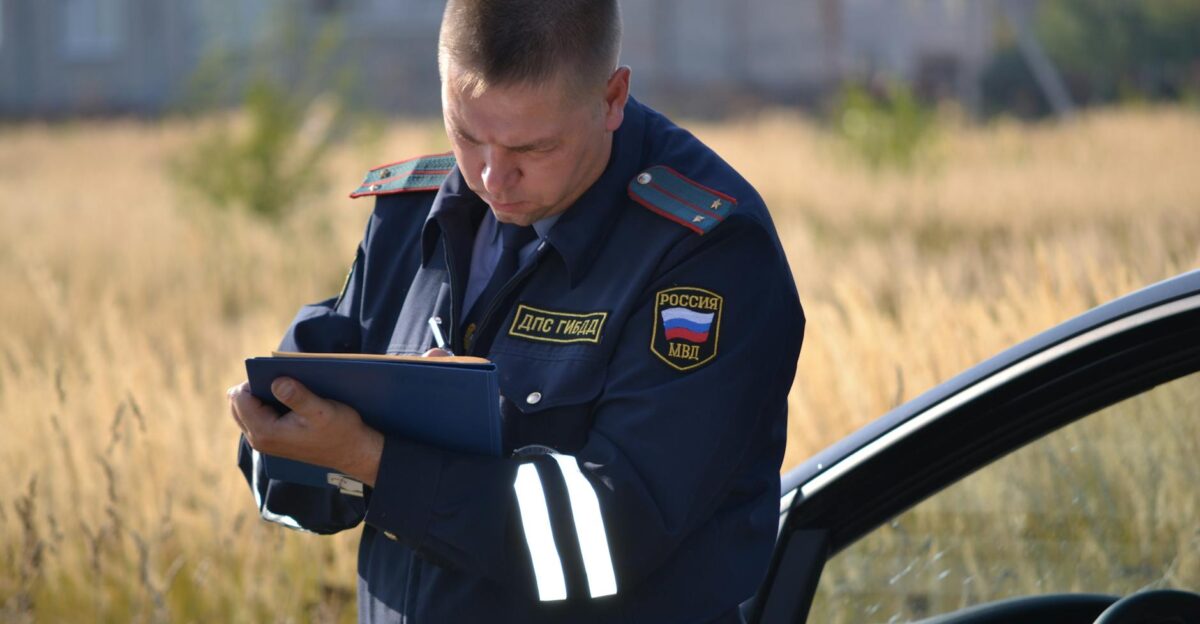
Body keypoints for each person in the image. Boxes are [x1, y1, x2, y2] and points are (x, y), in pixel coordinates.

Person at [226, 0, 805, 621]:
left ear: (612, 97)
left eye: (534, 146)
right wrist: (287, 435)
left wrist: (375, 459)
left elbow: (609, 540)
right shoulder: (411, 213)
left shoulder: (705, 253)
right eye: (467, 133)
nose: (493, 176)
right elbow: (286, 488)